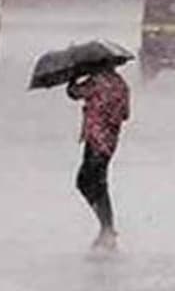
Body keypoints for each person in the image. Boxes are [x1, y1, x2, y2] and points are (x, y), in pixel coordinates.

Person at [66, 63, 130, 250]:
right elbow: (125, 114)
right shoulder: (121, 84)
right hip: (109, 141)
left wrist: (73, 76)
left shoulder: (96, 82)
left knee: (85, 181)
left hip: (95, 139)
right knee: (98, 182)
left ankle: (106, 227)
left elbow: (73, 93)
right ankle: (106, 227)